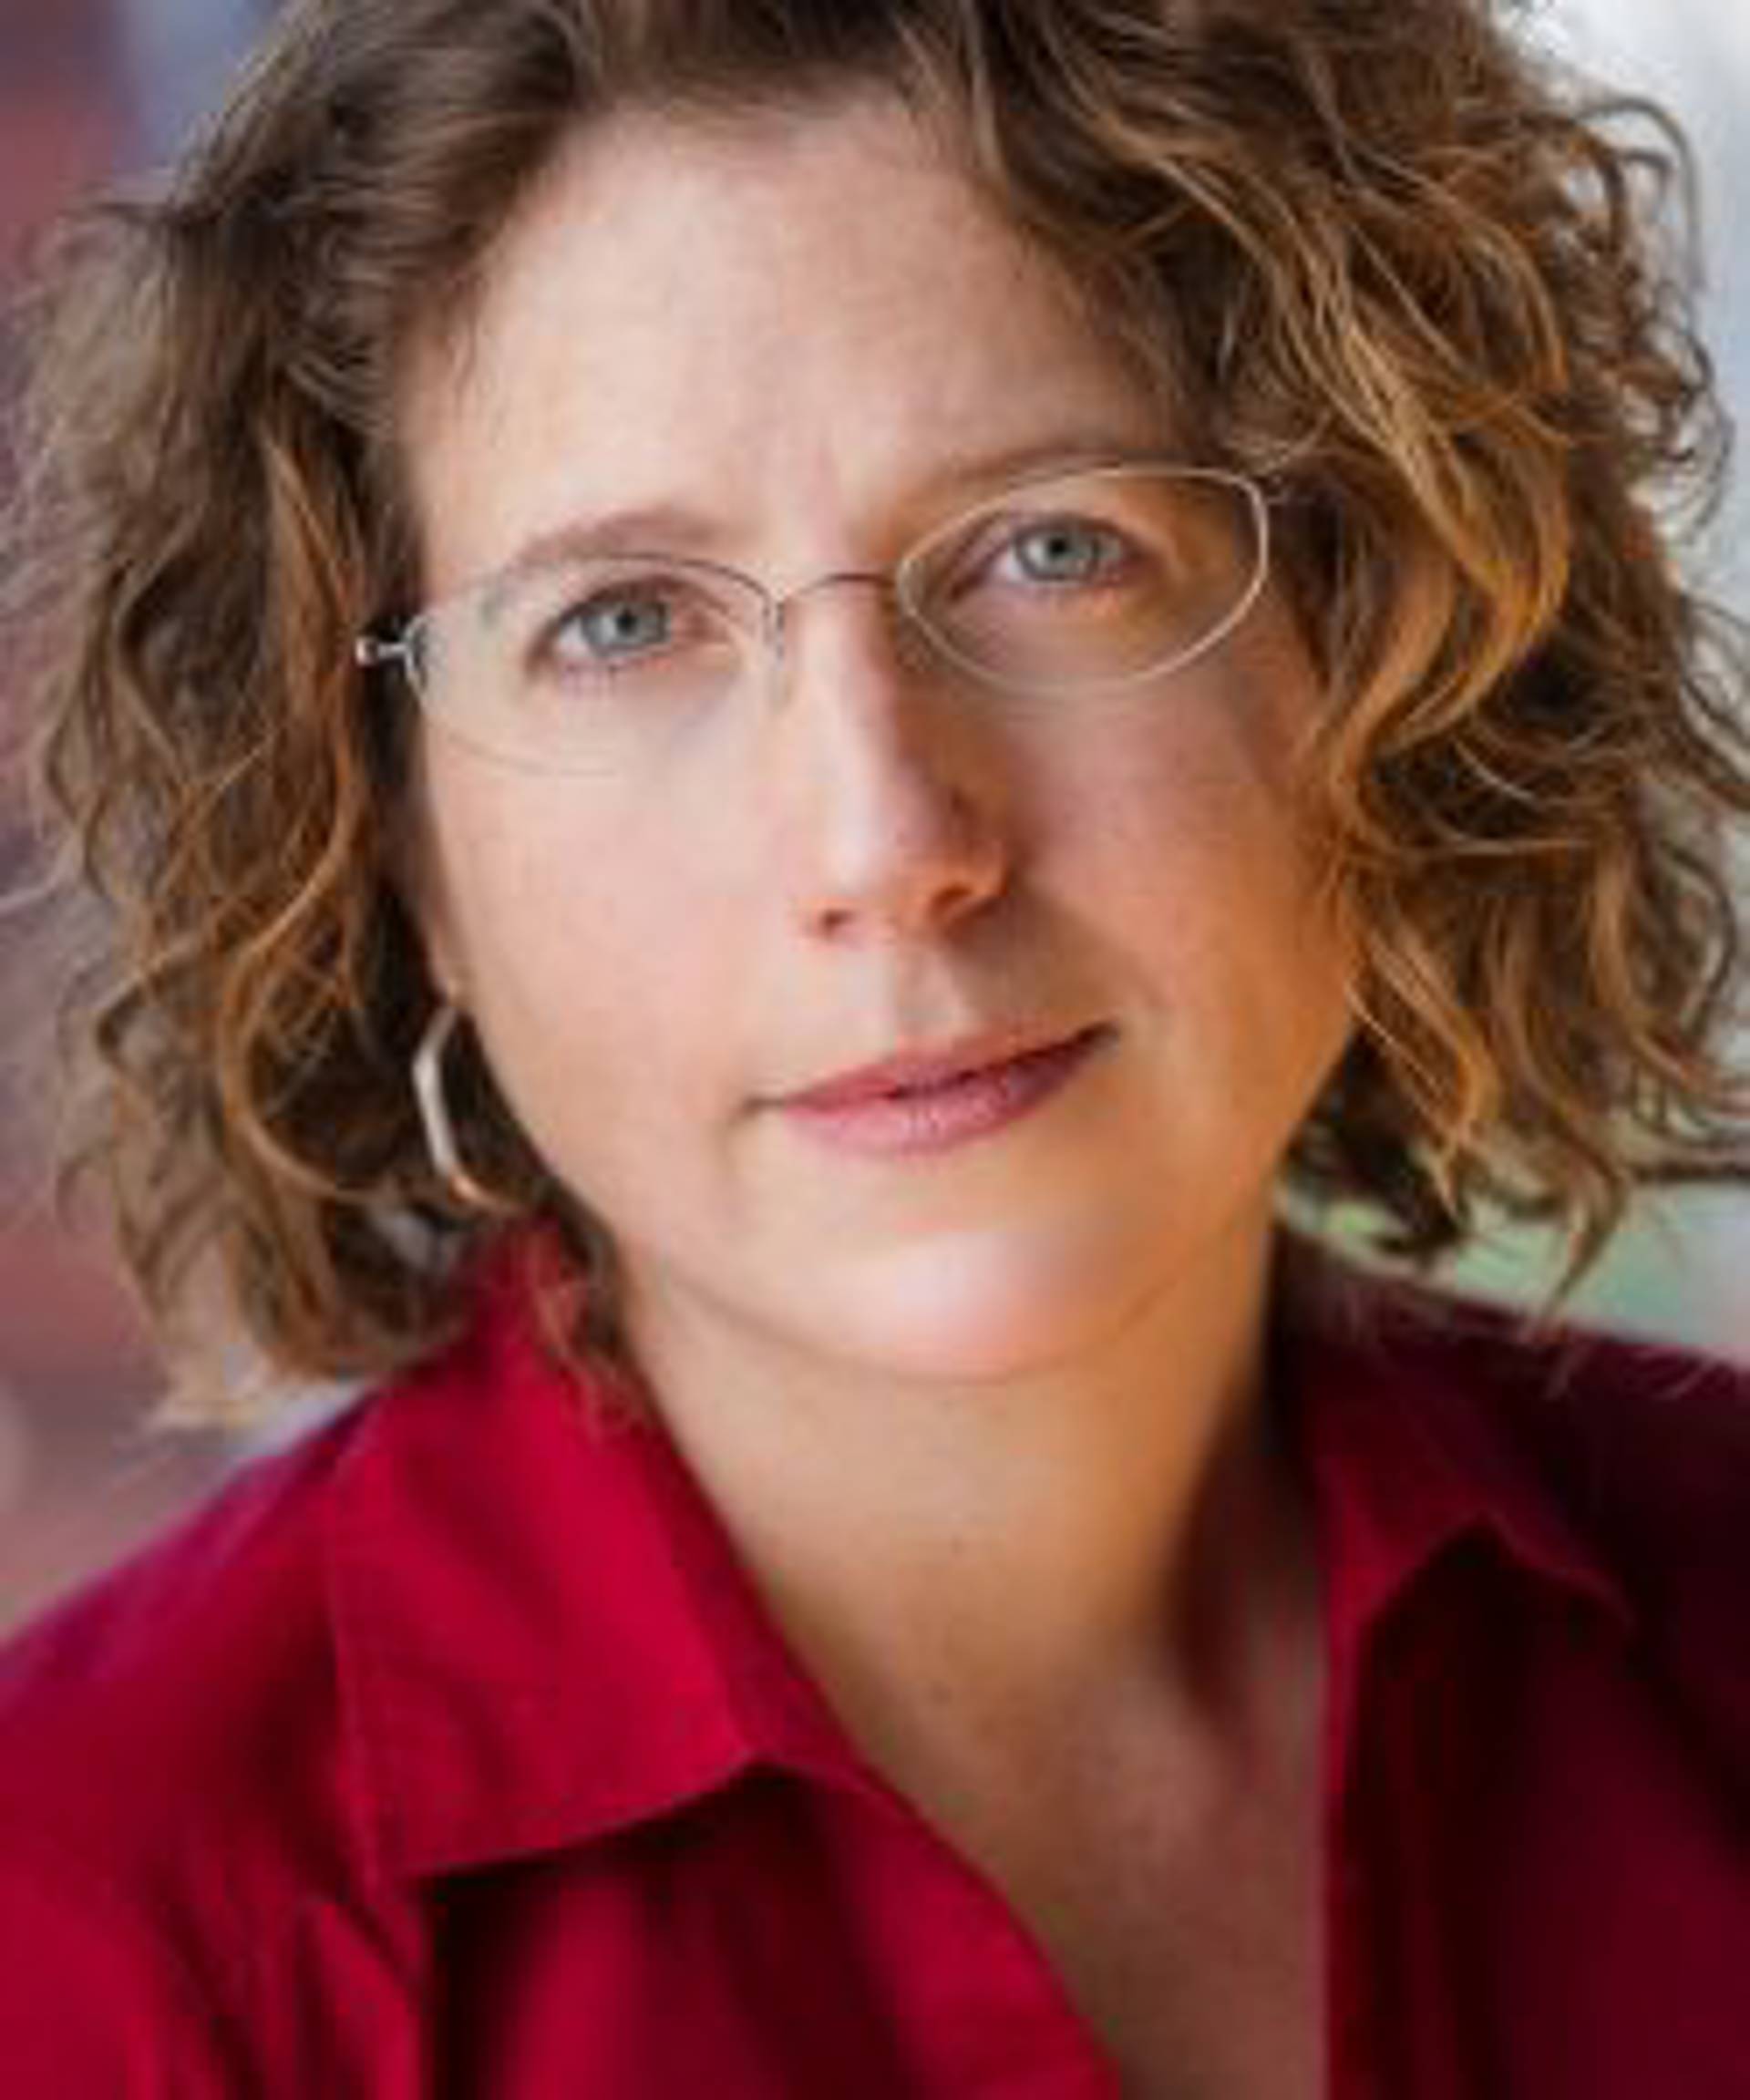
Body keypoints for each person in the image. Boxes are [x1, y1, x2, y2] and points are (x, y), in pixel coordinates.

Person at [1, 0, 1746, 2093]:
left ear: (1389, 644)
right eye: (623, 622)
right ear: (393, 841)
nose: (887, 842)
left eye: (1052, 550)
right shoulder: (88, 1936)